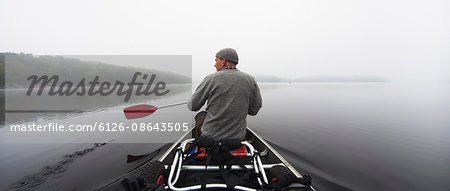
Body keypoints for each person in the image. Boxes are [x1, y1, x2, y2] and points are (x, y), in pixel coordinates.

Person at [187, 48, 262, 140]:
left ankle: (199, 143)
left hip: (210, 138)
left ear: (223, 61)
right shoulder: (250, 79)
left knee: (201, 115)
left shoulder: (210, 79)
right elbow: (254, 111)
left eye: (216, 60)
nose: (214, 64)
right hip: (238, 138)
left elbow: (192, 106)